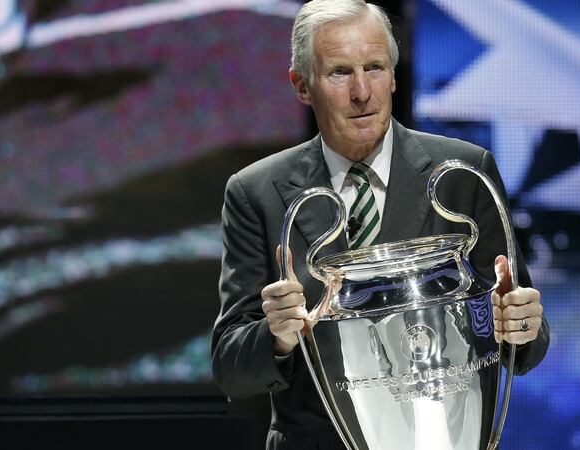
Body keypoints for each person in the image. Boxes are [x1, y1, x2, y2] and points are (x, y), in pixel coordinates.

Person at [211, 1, 549, 449]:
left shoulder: (463, 173)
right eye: (339, 72)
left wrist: (522, 327)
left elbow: (524, 339)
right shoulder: (257, 192)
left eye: (374, 68)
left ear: (393, 75)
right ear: (301, 86)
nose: (361, 92)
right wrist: (276, 337)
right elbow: (231, 368)